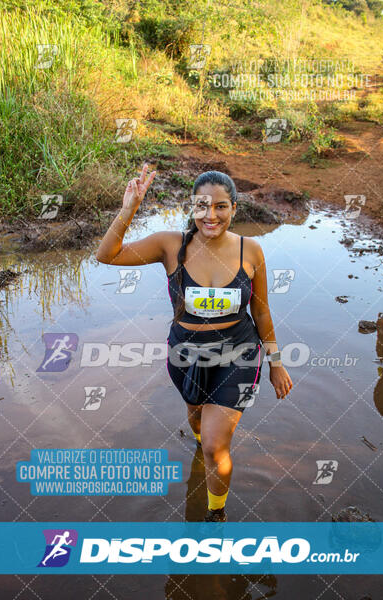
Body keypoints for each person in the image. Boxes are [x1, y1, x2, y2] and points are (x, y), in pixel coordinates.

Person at [95, 162, 293, 522]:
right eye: (202, 206)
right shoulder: (170, 245)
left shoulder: (252, 251)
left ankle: (215, 517)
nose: (211, 215)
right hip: (185, 354)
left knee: (218, 447)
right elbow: (106, 255)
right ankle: (200, 439)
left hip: (240, 354)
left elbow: (262, 314)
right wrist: (128, 210)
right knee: (196, 415)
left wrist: (276, 363)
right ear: (192, 207)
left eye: (221, 206)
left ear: (234, 208)